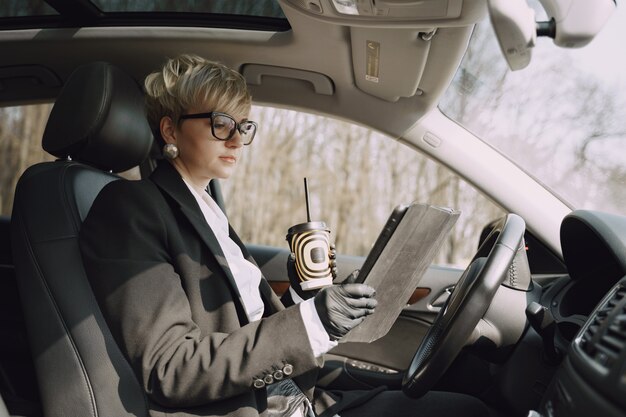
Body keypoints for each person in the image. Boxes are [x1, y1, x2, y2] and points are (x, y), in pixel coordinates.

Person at [79, 54, 489, 417]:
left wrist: (304, 300)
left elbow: (243, 322)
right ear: (170, 130)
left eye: (243, 125)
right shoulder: (130, 207)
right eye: (221, 124)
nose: (238, 140)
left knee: (468, 408)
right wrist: (313, 320)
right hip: (246, 406)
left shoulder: (207, 209)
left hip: (290, 395)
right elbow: (171, 367)